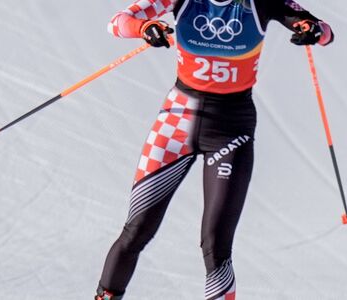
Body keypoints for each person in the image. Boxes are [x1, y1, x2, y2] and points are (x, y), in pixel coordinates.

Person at [95, 0, 334, 299]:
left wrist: (313, 30)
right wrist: (144, 27)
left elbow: (325, 33)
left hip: (230, 129)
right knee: (136, 230)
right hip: (176, 123)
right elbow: (117, 22)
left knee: (215, 245)